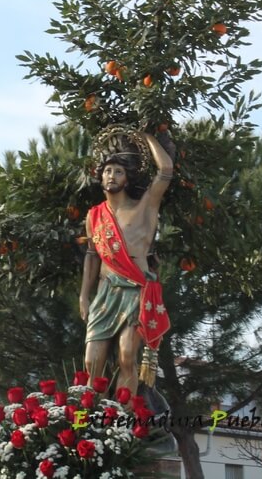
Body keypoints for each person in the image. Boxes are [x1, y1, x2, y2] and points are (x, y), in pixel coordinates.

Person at [79, 127, 173, 396]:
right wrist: (84, 295)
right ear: (100, 176)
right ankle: (90, 415)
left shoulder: (145, 206)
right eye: (108, 171)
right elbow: (92, 256)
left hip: (135, 290)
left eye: (118, 171)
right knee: (91, 361)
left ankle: (124, 414)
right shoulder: (94, 215)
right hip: (105, 292)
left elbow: (165, 170)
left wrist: (147, 136)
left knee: (127, 356)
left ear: (127, 178)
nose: (112, 175)